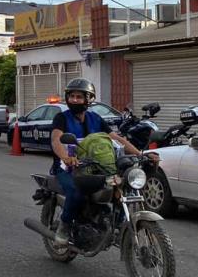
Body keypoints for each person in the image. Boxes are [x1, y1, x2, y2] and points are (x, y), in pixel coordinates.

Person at [50, 78, 142, 246]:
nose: (75, 100)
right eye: (72, 96)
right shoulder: (61, 118)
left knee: (120, 185)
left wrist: (140, 154)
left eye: (79, 97)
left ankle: (117, 224)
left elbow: (116, 138)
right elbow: (56, 140)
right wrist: (66, 158)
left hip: (95, 167)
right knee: (76, 193)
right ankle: (64, 226)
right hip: (68, 168)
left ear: (88, 99)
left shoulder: (95, 119)